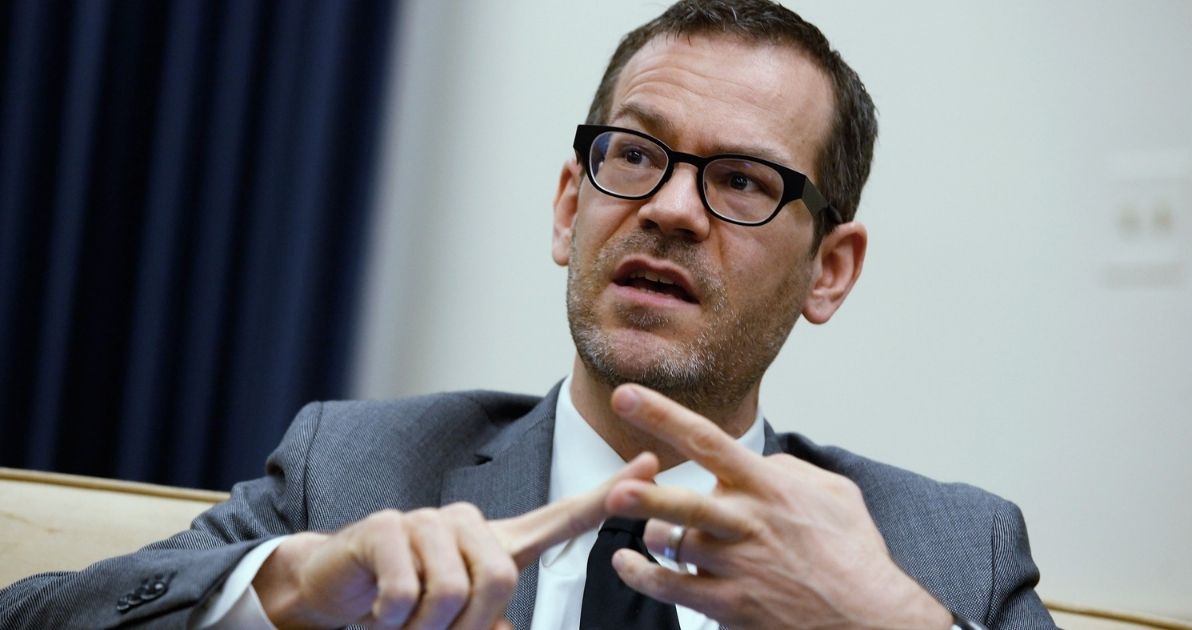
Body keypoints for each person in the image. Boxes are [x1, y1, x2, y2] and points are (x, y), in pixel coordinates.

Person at [0, 1, 1057, 628]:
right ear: (570, 207)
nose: (671, 209)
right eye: (636, 155)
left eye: (741, 183)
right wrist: (287, 591)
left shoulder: (952, 551)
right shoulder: (358, 470)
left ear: (830, 269)